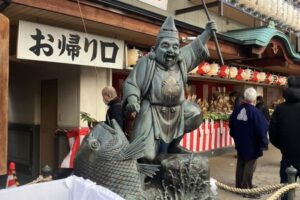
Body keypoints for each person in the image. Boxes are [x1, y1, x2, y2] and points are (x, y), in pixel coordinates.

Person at [123, 16, 217, 161]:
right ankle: (142, 172)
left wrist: (207, 32)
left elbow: (194, 48)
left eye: (175, 47)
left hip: (177, 110)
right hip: (152, 111)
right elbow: (132, 83)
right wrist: (132, 99)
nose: (171, 51)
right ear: (155, 48)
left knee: (195, 113)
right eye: (165, 46)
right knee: (145, 155)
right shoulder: (147, 63)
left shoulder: (180, 61)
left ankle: (173, 147)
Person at [229, 87, 269, 193]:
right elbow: (262, 128)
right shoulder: (255, 112)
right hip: (252, 143)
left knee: (241, 162)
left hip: (240, 141)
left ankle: (239, 185)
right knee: (250, 164)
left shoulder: (236, 109)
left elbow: (231, 124)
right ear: (254, 99)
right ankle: (246, 187)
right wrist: (264, 142)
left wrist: (235, 136)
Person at [269, 76, 300, 200]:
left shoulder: (280, 108)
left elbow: (272, 133)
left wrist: (283, 146)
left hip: (287, 156)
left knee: (285, 191)